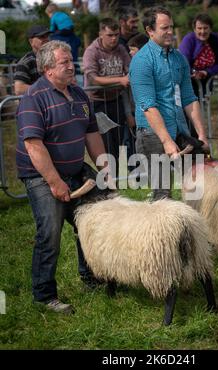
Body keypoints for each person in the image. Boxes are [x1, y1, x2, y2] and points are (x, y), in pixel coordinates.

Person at [16, 41, 108, 314]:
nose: (72, 66)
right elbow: (34, 145)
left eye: (72, 61)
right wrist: (55, 183)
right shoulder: (34, 97)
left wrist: (105, 168)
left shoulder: (79, 94)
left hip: (76, 170)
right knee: (50, 233)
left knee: (93, 222)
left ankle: (92, 277)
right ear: (48, 69)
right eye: (64, 63)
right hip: (41, 176)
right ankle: (44, 296)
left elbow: (91, 134)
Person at [129, 6, 208, 201]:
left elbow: (190, 98)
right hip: (152, 134)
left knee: (196, 189)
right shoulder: (141, 61)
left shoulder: (179, 58)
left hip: (179, 129)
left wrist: (202, 135)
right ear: (150, 30)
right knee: (163, 195)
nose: (170, 32)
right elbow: (148, 105)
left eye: (171, 27)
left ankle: (192, 230)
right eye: (164, 28)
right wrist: (166, 141)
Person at [83, 18, 133, 168]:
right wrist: (120, 79)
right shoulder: (91, 51)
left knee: (118, 142)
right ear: (101, 34)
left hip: (116, 100)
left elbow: (130, 70)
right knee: (105, 144)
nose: (114, 38)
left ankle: (118, 179)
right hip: (97, 102)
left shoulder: (121, 49)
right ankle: (108, 180)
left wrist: (126, 77)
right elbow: (93, 79)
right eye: (110, 35)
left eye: (116, 35)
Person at [178, 13, 218, 96]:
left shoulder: (216, 40)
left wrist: (206, 72)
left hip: (207, 79)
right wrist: (194, 72)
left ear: (210, 29)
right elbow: (183, 61)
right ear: (194, 29)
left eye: (205, 28)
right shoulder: (189, 40)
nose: (202, 31)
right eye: (199, 28)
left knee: (204, 106)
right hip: (189, 81)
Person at [13, 25, 51, 95]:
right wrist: (48, 89)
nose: (46, 39)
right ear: (31, 42)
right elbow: (19, 89)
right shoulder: (26, 62)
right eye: (41, 37)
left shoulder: (56, 57)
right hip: (37, 103)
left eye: (47, 36)